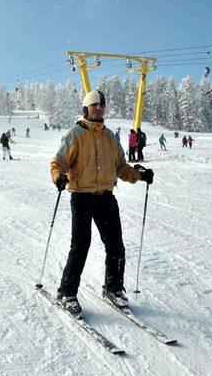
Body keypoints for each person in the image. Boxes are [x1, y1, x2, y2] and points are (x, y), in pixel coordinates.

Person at [50, 90, 153, 316]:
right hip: (82, 196)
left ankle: (113, 289)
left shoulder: (109, 138)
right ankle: (67, 293)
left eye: (102, 105)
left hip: (106, 196)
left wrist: (140, 175)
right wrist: (58, 177)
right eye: (94, 104)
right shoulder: (75, 134)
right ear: (86, 108)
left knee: (116, 246)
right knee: (80, 246)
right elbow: (58, 162)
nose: (99, 108)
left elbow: (122, 169)